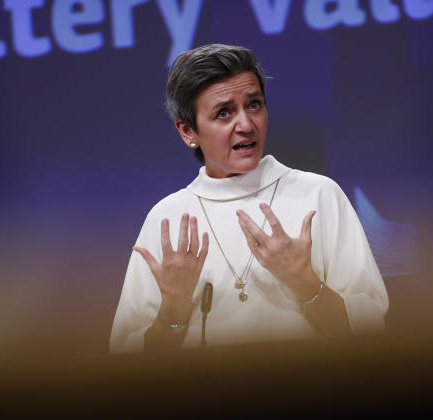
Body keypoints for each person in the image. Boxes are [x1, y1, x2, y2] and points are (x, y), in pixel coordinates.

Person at [110, 44, 388, 353]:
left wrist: (304, 282)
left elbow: (371, 329)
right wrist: (172, 310)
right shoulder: (168, 218)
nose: (245, 125)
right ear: (188, 130)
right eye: (224, 113)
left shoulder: (319, 194)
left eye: (254, 105)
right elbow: (128, 359)